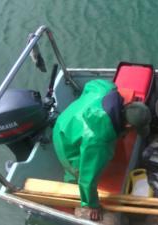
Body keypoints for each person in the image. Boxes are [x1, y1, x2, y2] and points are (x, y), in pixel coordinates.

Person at [52, 79, 151, 221]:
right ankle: (72, 190)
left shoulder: (107, 89)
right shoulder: (99, 143)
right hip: (63, 138)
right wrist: (92, 205)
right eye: (135, 129)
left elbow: (91, 84)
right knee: (78, 171)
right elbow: (88, 178)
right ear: (128, 126)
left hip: (68, 117)